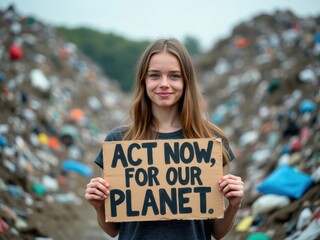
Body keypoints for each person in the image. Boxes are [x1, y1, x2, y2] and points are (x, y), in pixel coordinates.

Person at [85, 38, 244, 240]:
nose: (164, 84)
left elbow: (217, 232)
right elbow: (113, 229)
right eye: (154, 76)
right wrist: (99, 206)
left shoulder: (211, 140)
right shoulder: (119, 141)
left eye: (174, 76)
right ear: (143, 80)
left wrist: (234, 205)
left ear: (186, 81)